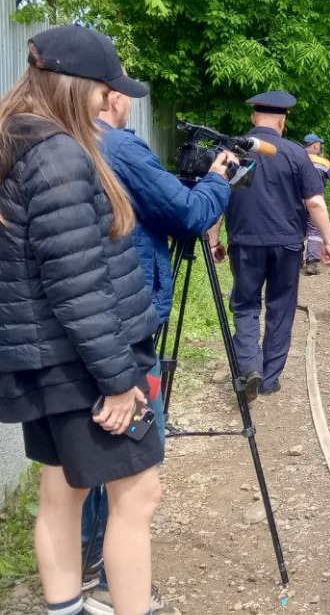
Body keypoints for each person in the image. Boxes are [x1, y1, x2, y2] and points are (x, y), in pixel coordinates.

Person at [0, 24, 163, 615]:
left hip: (49, 360)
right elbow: (78, 285)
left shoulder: (18, 139)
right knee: (139, 494)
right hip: (81, 365)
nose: (108, 102)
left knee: (62, 490)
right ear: (74, 86)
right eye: (103, 90)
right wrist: (118, 380)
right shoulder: (59, 157)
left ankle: (64, 609)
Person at [78, 78, 235, 615]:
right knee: (130, 471)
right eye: (122, 93)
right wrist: (218, 181)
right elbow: (188, 215)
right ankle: (107, 586)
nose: (127, 102)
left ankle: (81, 573)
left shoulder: (49, 138)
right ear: (108, 96)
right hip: (123, 319)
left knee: (76, 460)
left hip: (73, 320)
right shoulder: (118, 146)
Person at [207, 90, 330, 398]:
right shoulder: (295, 153)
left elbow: (216, 195)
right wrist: (327, 241)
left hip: (245, 242)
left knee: (246, 303)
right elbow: (315, 202)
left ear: (253, 117)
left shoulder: (231, 150)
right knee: (281, 308)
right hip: (287, 244)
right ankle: (269, 380)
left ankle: (250, 366)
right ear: (282, 121)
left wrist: (213, 240)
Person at [303, 132, 330, 276]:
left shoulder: (296, 158)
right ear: (315, 145)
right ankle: (312, 263)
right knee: (315, 231)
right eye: (320, 144)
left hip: (296, 200)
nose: (321, 147)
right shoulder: (322, 162)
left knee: (296, 229)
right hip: (315, 199)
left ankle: (295, 261)